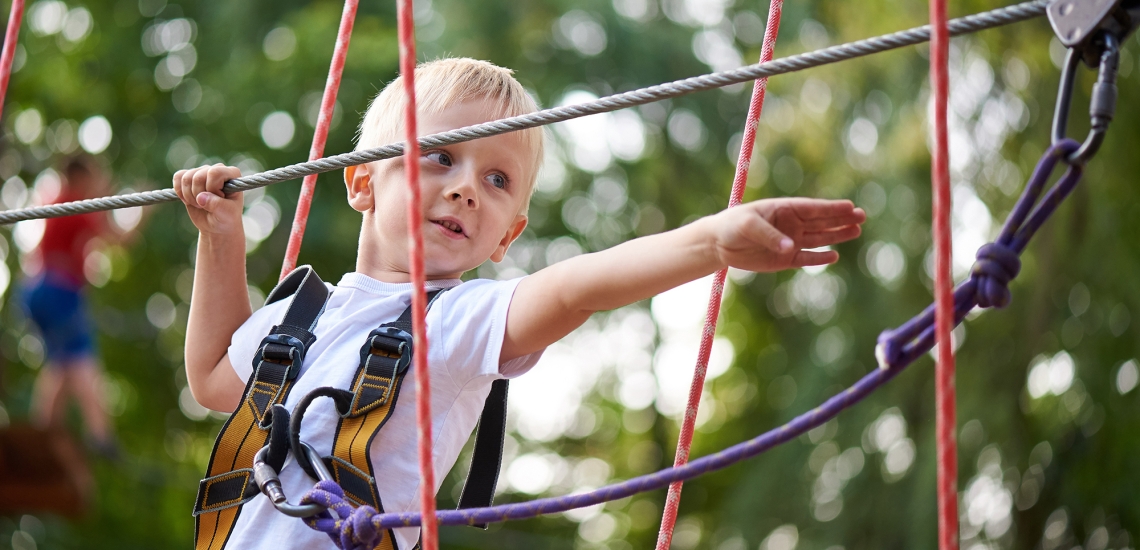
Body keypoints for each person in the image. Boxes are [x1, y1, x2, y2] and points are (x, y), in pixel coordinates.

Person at [174, 58, 866, 548]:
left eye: (497, 178)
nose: (467, 186)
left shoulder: (452, 322)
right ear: (361, 181)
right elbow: (212, 380)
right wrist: (221, 239)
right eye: (441, 157)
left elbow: (573, 288)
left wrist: (711, 241)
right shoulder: (298, 318)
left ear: (508, 236)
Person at [24, 154, 121, 458]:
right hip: (59, 290)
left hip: (37, 287)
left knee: (60, 362)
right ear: (81, 178)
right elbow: (118, 239)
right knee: (81, 358)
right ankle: (100, 433)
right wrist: (115, 199)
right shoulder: (77, 205)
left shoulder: (59, 200)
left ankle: (43, 431)